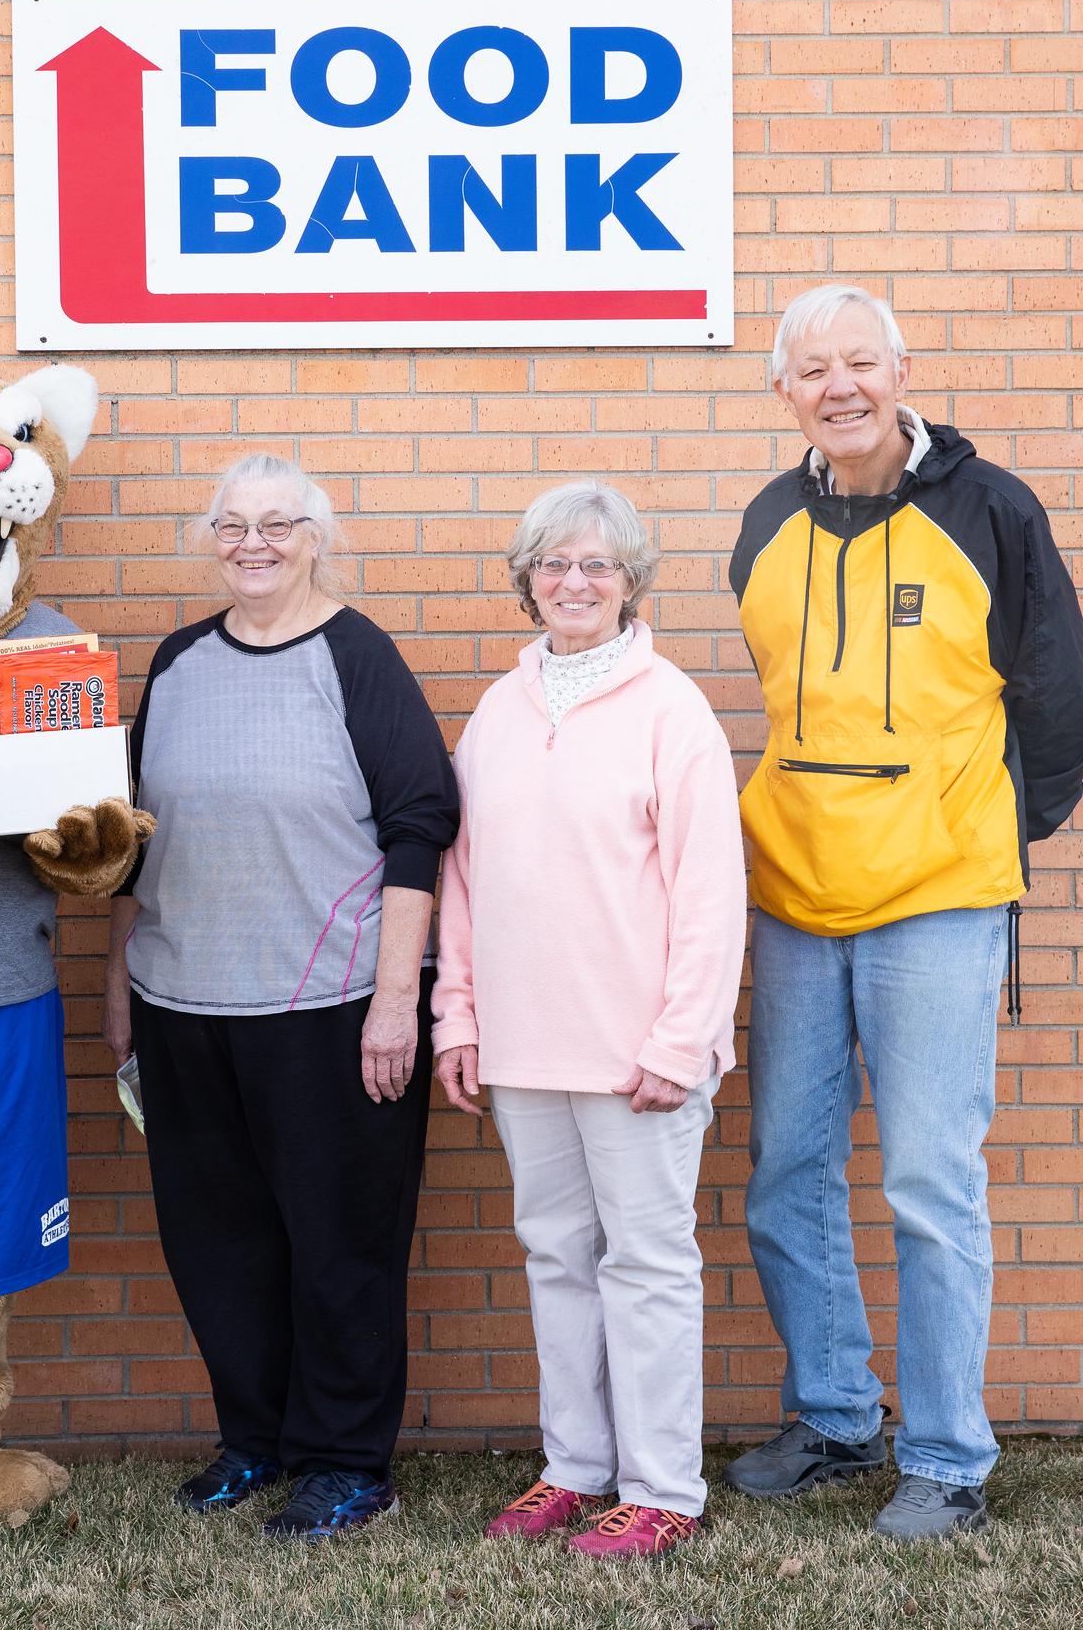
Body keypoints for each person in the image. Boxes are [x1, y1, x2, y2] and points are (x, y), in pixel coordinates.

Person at [724, 283, 1083, 1538]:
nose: (839, 386)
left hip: (936, 897)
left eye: (859, 362)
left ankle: (944, 1459)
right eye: (811, 369)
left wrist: (984, 832)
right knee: (785, 1172)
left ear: (900, 368)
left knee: (931, 1182)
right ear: (783, 393)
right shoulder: (766, 521)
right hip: (794, 897)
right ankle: (834, 1417)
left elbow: (1054, 700)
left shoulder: (992, 510)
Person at [102, 453, 458, 1540]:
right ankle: (254, 1441)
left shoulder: (355, 658)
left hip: (332, 1013)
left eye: (276, 524)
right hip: (182, 1007)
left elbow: (418, 828)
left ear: (316, 537)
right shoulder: (174, 664)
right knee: (218, 1245)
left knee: (339, 1246)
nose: (252, 544)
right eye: (231, 526)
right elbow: (130, 847)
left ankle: (346, 1462)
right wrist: (119, 999)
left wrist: (397, 999)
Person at [433, 481, 746, 1561]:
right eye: (553, 565)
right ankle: (574, 1467)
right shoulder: (498, 710)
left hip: (637, 1057)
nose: (573, 583)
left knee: (647, 1264)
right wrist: (455, 1018)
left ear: (629, 584)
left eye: (596, 566)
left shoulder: (673, 710)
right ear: (526, 582)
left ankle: (662, 1487)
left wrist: (679, 1039)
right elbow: (463, 880)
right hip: (523, 1050)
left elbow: (711, 894)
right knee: (555, 1257)